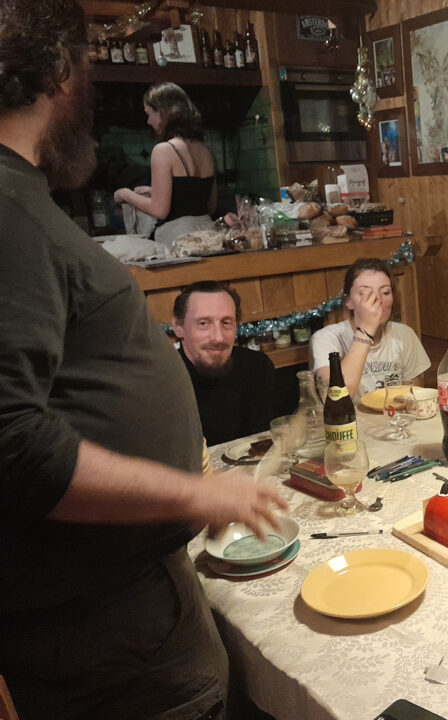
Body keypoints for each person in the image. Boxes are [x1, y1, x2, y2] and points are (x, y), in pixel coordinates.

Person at [0, 2, 286, 715]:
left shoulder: (20, 198)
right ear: (58, 68)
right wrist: (195, 493)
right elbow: (12, 441)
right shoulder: (7, 209)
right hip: (103, 627)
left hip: (115, 605)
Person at [173, 281, 275, 446]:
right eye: (203, 323)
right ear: (178, 327)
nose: (218, 338)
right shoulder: (161, 380)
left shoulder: (257, 367)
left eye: (226, 323)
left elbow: (264, 442)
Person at [113, 82, 216, 246]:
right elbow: (209, 206)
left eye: (149, 114)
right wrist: (155, 191)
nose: (148, 121)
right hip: (210, 235)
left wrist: (125, 194)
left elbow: (159, 210)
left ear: (162, 111)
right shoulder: (205, 150)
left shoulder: (164, 150)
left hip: (180, 239)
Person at [310, 258, 431, 397]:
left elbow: (413, 397)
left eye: (385, 292)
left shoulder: (405, 335)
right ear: (348, 301)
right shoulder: (326, 338)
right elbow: (336, 395)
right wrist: (366, 330)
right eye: (365, 294)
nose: (377, 300)